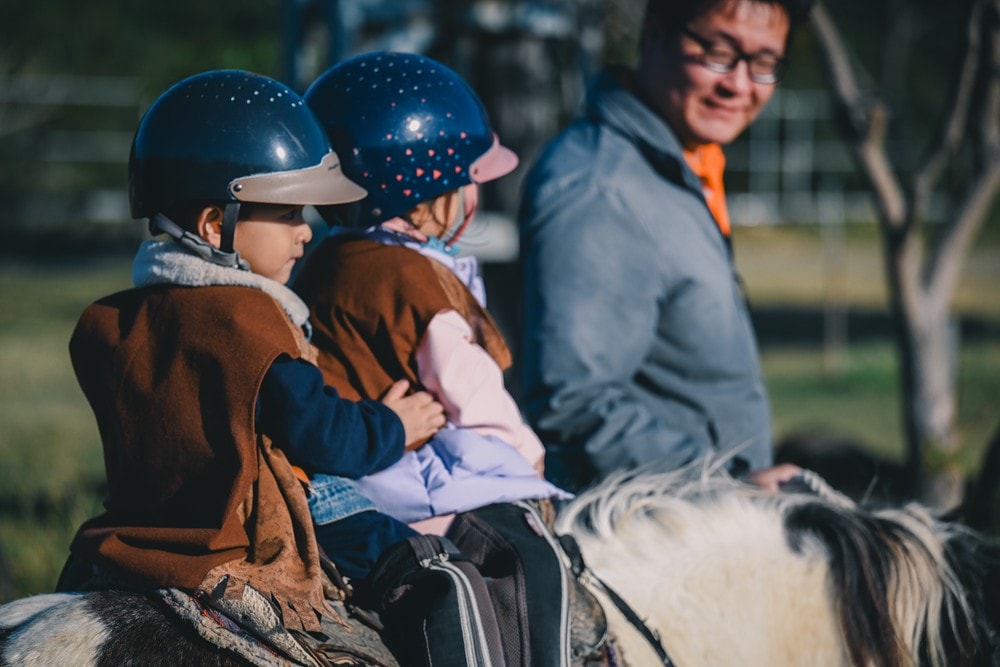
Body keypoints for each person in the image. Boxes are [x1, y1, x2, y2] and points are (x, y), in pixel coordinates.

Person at [56, 70, 446, 657]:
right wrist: (394, 426)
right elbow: (325, 438)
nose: (305, 233)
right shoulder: (250, 321)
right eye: (288, 214)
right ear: (217, 225)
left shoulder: (112, 319)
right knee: (437, 570)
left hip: (134, 527)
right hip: (245, 527)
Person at [294, 52, 599, 667]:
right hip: (407, 482)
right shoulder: (412, 279)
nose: (474, 192)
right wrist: (527, 459)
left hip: (351, 469)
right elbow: (469, 390)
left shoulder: (326, 260)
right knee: (531, 559)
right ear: (425, 194)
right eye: (468, 179)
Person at [518, 0, 812, 494]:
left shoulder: (685, 163)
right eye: (719, 52)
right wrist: (730, 485)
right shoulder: (602, 189)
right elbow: (572, 403)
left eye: (764, 62)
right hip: (654, 528)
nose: (739, 84)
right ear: (654, 34)